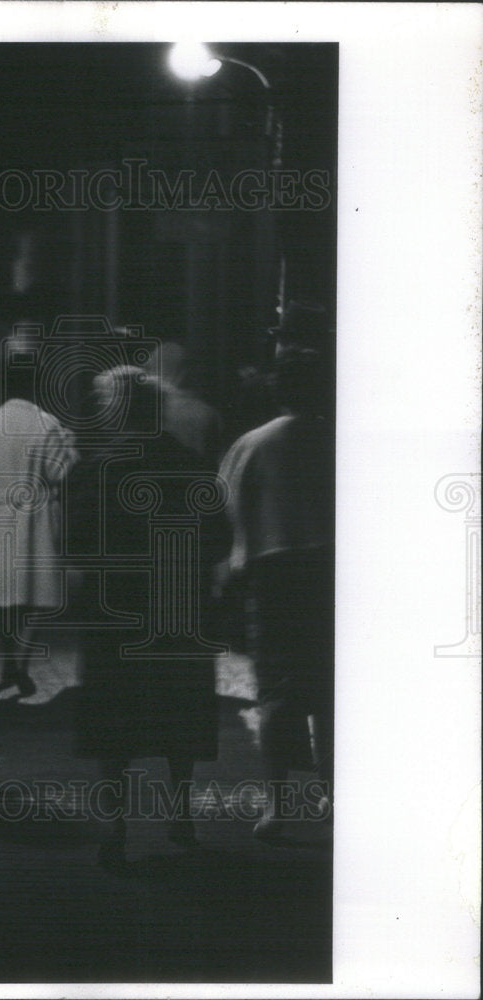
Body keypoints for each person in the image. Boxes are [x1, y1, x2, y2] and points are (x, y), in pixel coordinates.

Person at [66, 367, 230, 869]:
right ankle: (180, 814)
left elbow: (73, 544)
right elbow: (219, 537)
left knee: (113, 719)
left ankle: (114, 828)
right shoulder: (191, 464)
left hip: (114, 611)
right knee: (179, 711)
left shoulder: (95, 471)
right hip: (178, 607)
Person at [218, 301, 335, 840]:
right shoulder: (343, 441)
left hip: (273, 578)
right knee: (334, 690)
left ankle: (278, 804)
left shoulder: (253, 444)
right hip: (333, 574)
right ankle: (335, 793)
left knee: (277, 694)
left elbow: (229, 509)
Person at [0, 344, 78, 696]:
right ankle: (20, 662)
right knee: (32, 599)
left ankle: (6, 663)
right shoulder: (46, 424)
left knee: (3, 597)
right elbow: (61, 471)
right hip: (35, 521)